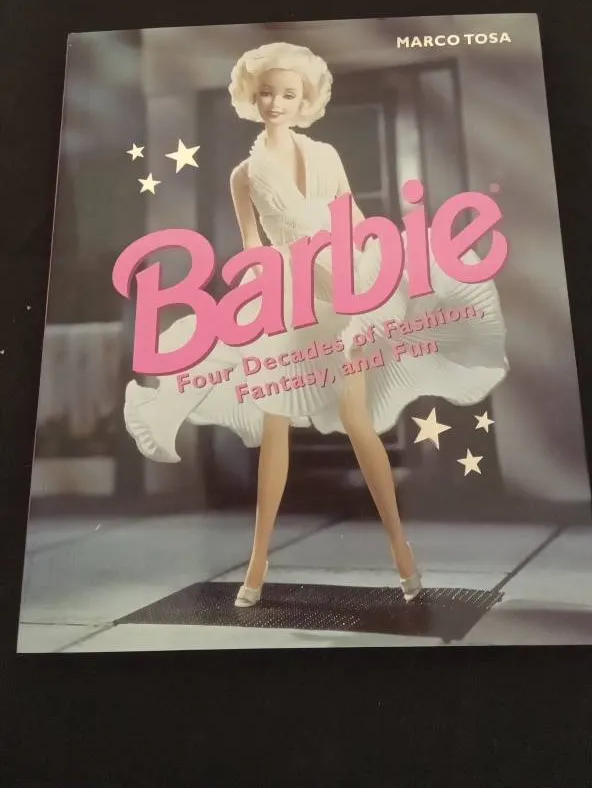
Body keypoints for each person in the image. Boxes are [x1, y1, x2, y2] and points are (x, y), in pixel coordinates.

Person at [124, 42, 508, 607]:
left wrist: (376, 275)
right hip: (288, 297)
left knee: (357, 420)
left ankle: (401, 550)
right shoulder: (243, 175)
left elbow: (354, 220)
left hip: (346, 292)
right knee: (276, 426)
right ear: (252, 98)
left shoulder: (326, 155)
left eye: (287, 94)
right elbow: (253, 249)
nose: (276, 103)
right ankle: (257, 563)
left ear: (304, 99)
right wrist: (273, 288)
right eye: (266, 93)